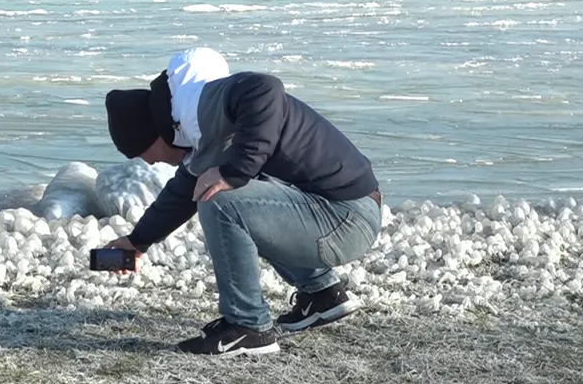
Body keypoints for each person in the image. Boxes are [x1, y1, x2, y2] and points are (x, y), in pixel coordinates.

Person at [102, 48, 382, 358]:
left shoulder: (201, 107)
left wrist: (234, 173)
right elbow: (183, 192)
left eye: (141, 153)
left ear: (151, 136)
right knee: (224, 190)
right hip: (343, 212)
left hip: (346, 217)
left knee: (220, 199)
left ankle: (248, 327)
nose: (149, 162)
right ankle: (323, 296)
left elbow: (265, 88)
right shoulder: (199, 132)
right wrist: (137, 241)